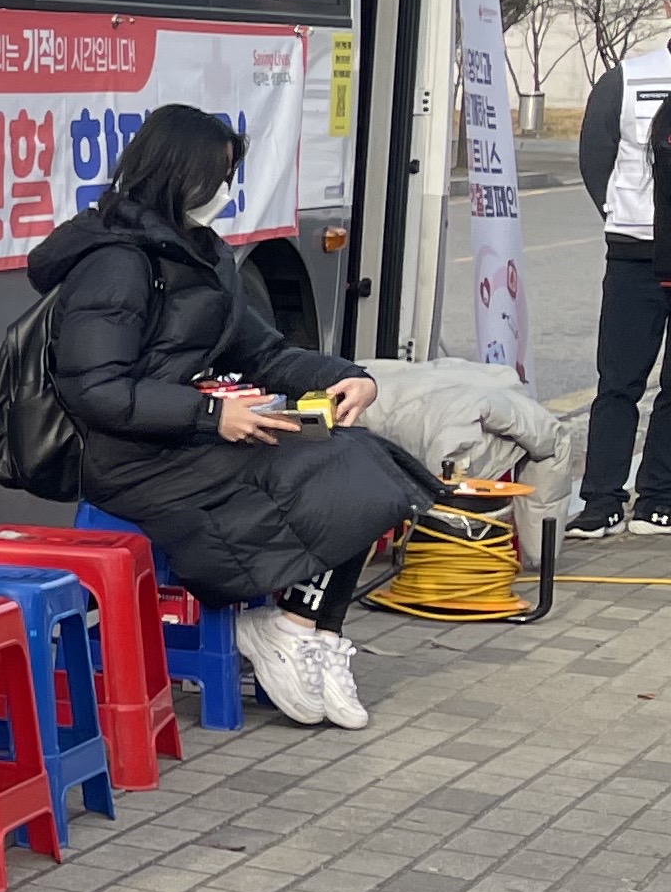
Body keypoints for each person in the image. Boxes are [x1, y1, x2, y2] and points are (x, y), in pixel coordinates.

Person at [25, 103, 419, 730]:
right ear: (179, 173)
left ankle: (307, 630)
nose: (226, 191)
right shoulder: (116, 261)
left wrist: (347, 377)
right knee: (341, 467)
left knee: (362, 450)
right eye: (219, 176)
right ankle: (288, 630)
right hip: (131, 460)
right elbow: (96, 389)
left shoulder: (203, 254)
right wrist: (212, 415)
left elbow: (262, 353)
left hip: (186, 439)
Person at [565, 0, 671, 540]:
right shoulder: (627, 78)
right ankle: (601, 501)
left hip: (642, 244)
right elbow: (595, 159)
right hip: (636, 251)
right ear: (668, 6)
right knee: (619, 381)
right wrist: (625, 215)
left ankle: (658, 500)